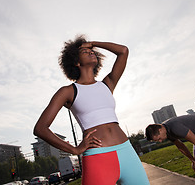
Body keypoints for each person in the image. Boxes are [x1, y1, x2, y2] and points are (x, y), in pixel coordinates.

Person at [34, 35, 150, 185]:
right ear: (76, 61)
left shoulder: (107, 84)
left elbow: (123, 51)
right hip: (98, 157)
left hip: (126, 151)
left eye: (92, 50)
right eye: (84, 51)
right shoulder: (68, 91)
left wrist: (93, 43)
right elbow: (40, 128)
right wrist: (74, 150)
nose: (91, 52)